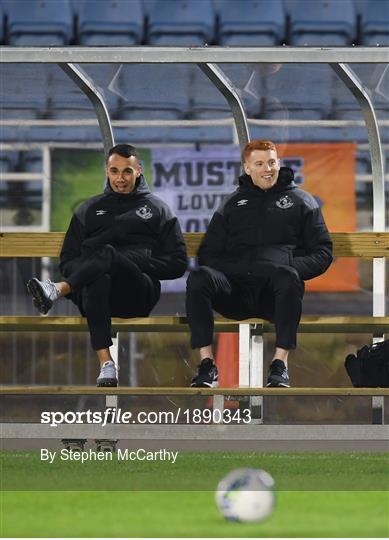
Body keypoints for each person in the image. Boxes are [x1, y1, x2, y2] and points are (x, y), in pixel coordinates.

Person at [27, 144, 187, 387]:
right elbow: (68, 261)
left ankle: (57, 290)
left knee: (107, 254)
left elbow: (178, 264)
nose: (120, 178)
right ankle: (106, 364)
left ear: (139, 171)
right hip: (94, 295)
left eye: (127, 171)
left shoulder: (158, 209)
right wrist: (97, 267)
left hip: (136, 292)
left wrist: (140, 261)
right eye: (114, 171)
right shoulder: (88, 209)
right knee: (98, 277)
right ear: (106, 172)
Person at [186, 140, 333, 388]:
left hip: (275, 297)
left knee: (288, 277)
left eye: (272, 162)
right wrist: (236, 269)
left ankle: (279, 365)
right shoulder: (231, 204)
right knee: (199, 277)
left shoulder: (301, 201)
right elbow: (208, 253)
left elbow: (323, 252)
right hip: (235, 294)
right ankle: (207, 366)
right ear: (247, 168)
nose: (268, 168)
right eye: (260, 163)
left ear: (279, 163)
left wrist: (289, 267)